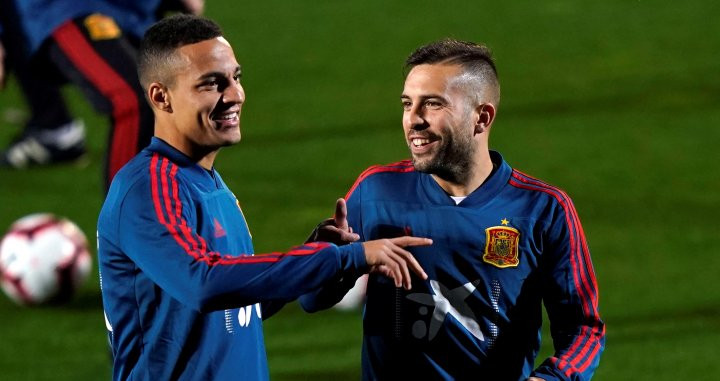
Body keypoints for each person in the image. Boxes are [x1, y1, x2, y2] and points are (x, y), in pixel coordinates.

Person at [97, 14, 432, 380]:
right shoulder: (149, 188)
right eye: (211, 84)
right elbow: (204, 284)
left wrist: (320, 251)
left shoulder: (208, 183)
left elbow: (239, 310)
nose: (235, 95)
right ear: (161, 97)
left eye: (235, 78)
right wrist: (344, 258)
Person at [300, 39, 605, 380]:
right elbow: (312, 300)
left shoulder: (542, 210)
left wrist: (552, 378)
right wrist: (327, 257)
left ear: (481, 117)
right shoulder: (376, 191)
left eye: (432, 104)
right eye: (407, 104)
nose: (413, 120)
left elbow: (583, 328)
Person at [0, 0, 171, 188]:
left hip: (136, 14)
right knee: (133, 99)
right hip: (69, 9)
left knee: (179, 104)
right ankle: (123, 215)